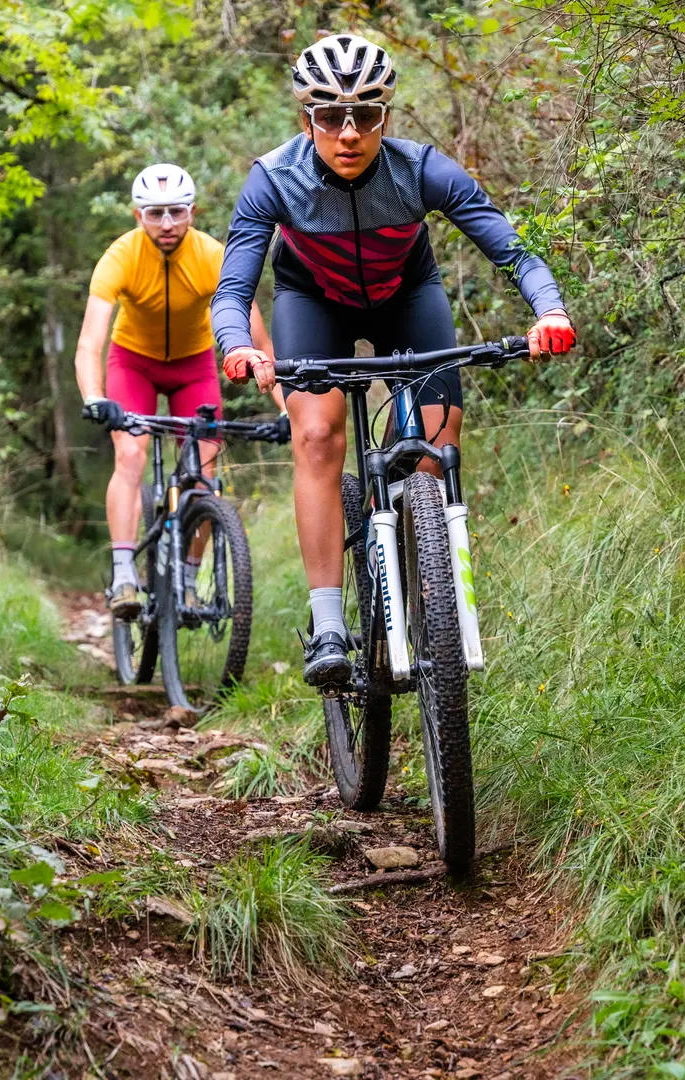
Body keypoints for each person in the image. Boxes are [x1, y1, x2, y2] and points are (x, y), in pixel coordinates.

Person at [212, 33, 577, 687]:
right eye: (329, 117)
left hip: (407, 297)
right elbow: (235, 288)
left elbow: (512, 251)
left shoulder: (422, 170)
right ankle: (327, 624)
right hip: (312, 302)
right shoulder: (273, 178)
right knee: (318, 433)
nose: (347, 133)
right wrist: (237, 345)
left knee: (438, 442)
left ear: (385, 117)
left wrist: (548, 310)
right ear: (307, 120)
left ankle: (428, 580)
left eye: (365, 115)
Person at [75, 164, 282, 619]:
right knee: (130, 455)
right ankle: (125, 573)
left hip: (193, 367)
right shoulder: (120, 257)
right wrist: (94, 397)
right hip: (133, 363)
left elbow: (258, 341)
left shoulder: (212, 255)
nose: (166, 224)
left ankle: (188, 579)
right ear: (137, 215)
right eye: (155, 214)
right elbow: (90, 341)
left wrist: (287, 407)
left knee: (205, 474)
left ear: (192, 211)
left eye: (176, 212)